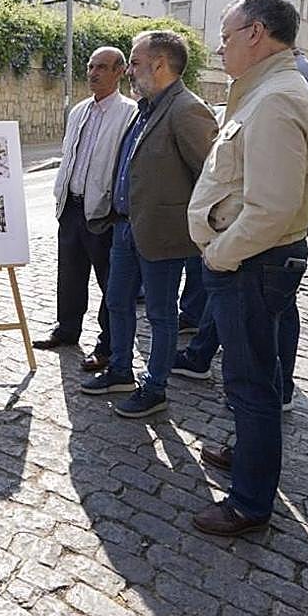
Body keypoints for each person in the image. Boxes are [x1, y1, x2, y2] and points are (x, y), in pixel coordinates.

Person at [186, 0, 308, 535]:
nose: (219, 47)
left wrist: (220, 255)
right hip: (252, 260)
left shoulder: (275, 99)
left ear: (256, 33)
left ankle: (248, 501)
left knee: (251, 383)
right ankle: (248, 454)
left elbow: (272, 207)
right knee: (255, 375)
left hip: (252, 261)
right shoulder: (263, 92)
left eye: (225, 35)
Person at [81, 32, 217, 417]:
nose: (129, 71)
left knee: (160, 313)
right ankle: (121, 369)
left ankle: (154, 387)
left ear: (159, 64)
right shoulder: (147, 107)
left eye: (135, 62)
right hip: (125, 228)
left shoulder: (186, 109)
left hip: (162, 234)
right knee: (117, 301)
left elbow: (211, 176)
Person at [32, 46, 136, 372]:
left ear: (120, 71)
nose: (93, 73)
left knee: (110, 283)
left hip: (103, 212)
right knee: (70, 274)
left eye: (102, 67)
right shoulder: (79, 111)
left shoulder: (129, 113)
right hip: (71, 207)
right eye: (91, 66)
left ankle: (107, 346)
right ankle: (67, 329)